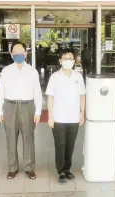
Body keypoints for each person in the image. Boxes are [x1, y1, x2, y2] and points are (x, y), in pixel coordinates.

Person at [0, 42, 42, 180]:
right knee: (10, 138)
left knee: (28, 137)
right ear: (11, 54)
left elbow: (37, 92)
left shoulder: (32, 71)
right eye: (15, 52)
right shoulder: (6, 71)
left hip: (27, 106)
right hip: (9, 106)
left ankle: (29, 167)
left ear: (26, 53)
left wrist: (38, 111)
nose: (18, 54)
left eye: (21, 51)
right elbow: (0, 91)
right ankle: (12, 167)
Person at [46, 48, 86, 183]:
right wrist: (50, 116)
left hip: (74, 117)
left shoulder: (78, 77)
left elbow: (82, 96)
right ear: (60, 60)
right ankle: (60, 170)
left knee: (70, 144)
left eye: (70, 58)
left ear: (75, 61)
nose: (68, 61)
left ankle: (68, 169)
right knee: (60, 144)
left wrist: (82, 112)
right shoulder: (54, 77)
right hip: (58, 117)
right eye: (65, 58)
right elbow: (50, 97)